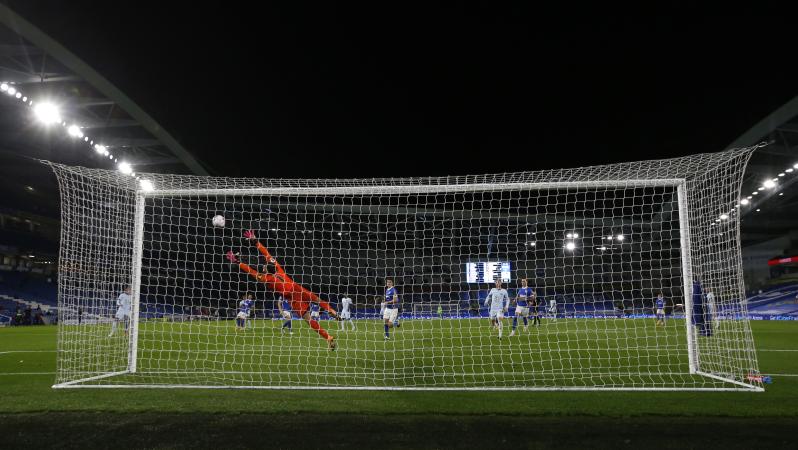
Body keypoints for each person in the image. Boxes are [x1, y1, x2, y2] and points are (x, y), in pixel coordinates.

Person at [227, 230, 340, 350]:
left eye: (264, 266)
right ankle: (332, 310)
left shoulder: (266, 278)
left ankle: (328, 337)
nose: (263, 266)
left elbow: (251, 271)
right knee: (317, 299)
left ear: (266, 270)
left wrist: (238, 262)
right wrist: (255, 241)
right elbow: (266, 253)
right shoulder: (278, 268)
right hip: (296, 287)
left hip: (292, 297)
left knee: (308, 319)